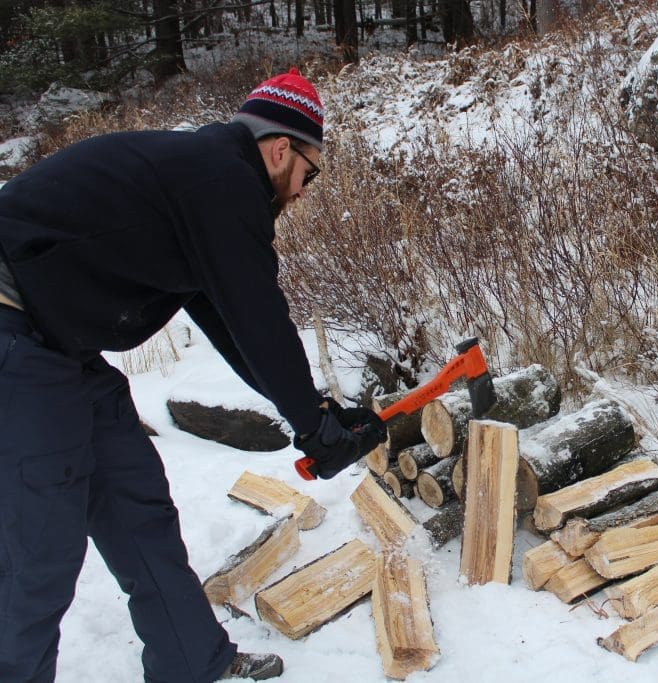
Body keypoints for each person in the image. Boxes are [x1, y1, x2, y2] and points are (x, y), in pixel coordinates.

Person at [0, 68, 386, 682]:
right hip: (14, 335)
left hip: (56, 343)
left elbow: (233, 325)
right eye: (309, 173)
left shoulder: (203, 183)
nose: (305, 191)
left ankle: (189, 662)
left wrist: (314, 414)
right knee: (39, 549)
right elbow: (259, 313)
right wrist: (313, 425)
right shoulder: (223, 180)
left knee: (136, 504)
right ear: (281, 148)